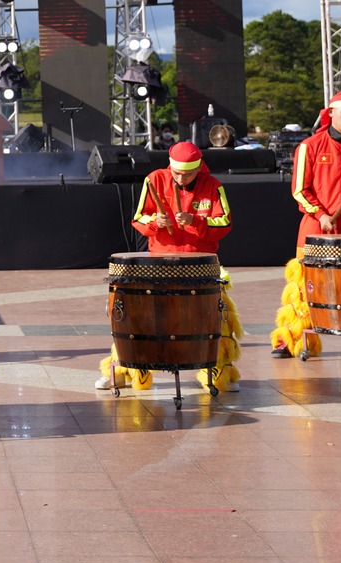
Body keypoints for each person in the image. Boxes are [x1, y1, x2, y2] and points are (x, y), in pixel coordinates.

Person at [96, 140, 242, 394]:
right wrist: (156, 221)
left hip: (200, 261)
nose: (181, 179)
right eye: (176, 173)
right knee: (139, 320)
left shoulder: (212, 186)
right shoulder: (155, 179)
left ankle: (220, 373)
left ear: (199, 169)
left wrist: (195, 221)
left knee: (214, 319)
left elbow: (225, 223)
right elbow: (139, 216)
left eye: (187, 174)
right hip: (160, 260)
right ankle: (123, 371)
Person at [271, 92, 341, 361]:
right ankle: (289, 340)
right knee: (303, 285)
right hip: (316, 226)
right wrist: (319, 214)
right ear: (330, 113)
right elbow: (299, 189)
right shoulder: (310, 146)